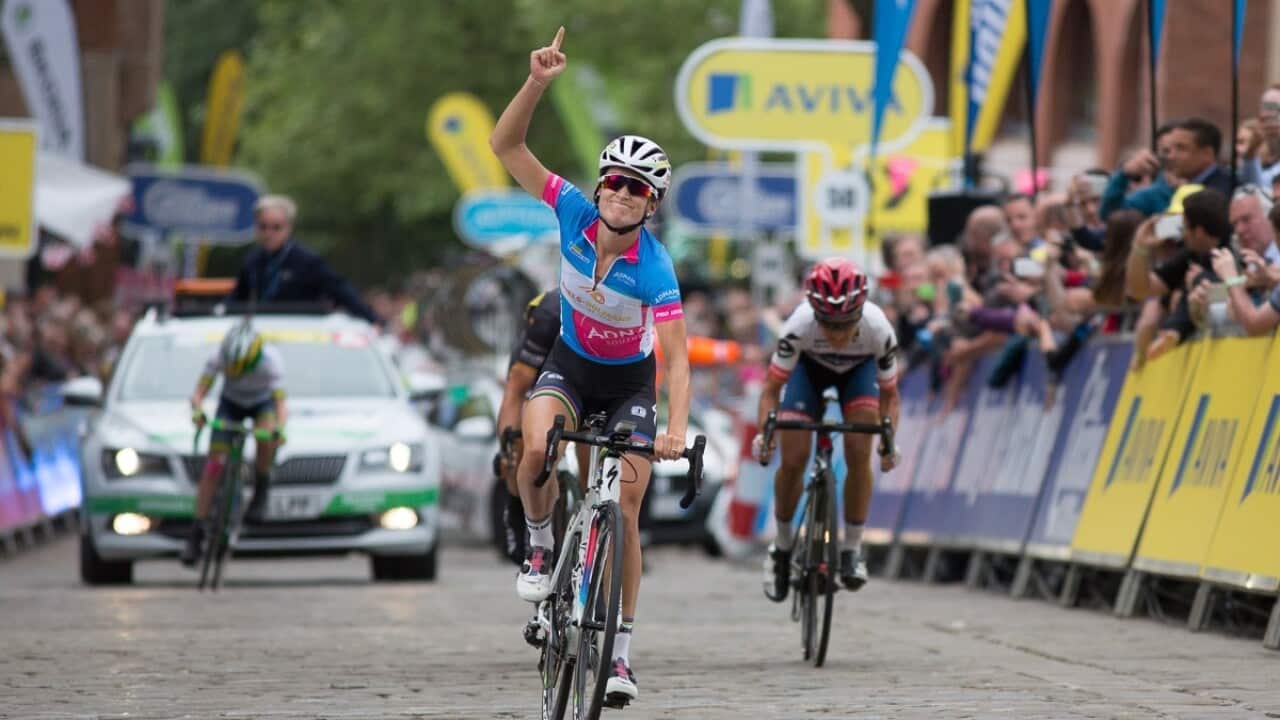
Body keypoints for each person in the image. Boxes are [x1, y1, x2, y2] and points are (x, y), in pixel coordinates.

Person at [489, 26, 693, 705]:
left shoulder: (655, 269)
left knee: (626, 509)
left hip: (630, 384)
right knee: (536, 443)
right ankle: (542, 544)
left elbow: (678, 357)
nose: (620, 193)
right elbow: (506, 147)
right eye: (614, 180)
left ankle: (623, 655)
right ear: (599, 185)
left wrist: (675, 428)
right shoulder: (572, 211)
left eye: (636, 189)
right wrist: (538, 83)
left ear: (650, 204)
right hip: (571, 365)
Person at [752, 258, 901, 602]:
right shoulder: (799, 325)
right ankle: (784, 545)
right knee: (794, 457)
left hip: (858, 373)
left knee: (861, 443)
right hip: (809, 371)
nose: (835, 335)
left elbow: (890, 397)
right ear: (814, 313)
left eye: (845, 324)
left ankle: (851, 549)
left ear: (860, 312)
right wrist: (766, 433)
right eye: (827, 324)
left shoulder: (879, 329)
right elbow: (770, 390)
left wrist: (888, 442)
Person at [492, 288, 590, 565]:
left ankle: (587, 512)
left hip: (586, 375)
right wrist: (508, 447)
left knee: (589, 438)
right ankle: (517, 506)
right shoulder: (551, 315)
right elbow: (515, 390)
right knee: (524, 449)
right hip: (540, 372)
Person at [181, 320, 287, 566]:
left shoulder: (271, 361)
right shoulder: (218, 357)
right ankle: (196, 533)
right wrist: (197, 412)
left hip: (262, 404)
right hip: (230, 404)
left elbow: (281, 404)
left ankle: (262, 485)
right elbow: (198, 393)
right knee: (213, 465)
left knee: (265, 437)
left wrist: (279, 430)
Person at [230, 195, 380, 325]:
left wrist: (373, 320)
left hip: (302, 331)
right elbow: (236, 299)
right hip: (266, 328)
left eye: (276, 227)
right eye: (263, 227)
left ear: (289, 227)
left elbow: (341, 290)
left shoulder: (307, 261)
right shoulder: (252, 261)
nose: (268, 233)